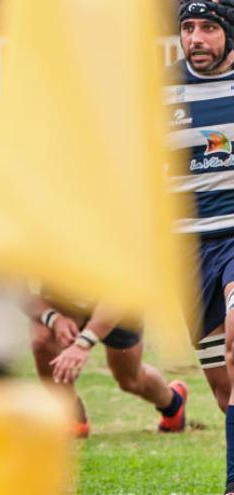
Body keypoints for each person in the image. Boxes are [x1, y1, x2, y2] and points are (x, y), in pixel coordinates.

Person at [168, 1, 234, 493]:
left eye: (209, 27)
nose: (196, 39)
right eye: (188, 28)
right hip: (186, 250)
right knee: (223, 386)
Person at [26, 293, 187, 438]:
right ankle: (72, 416)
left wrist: (83, 343)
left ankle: (173, 404)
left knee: (130, 380)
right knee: (42, 340)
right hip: (65, 302)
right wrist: (54, 318)